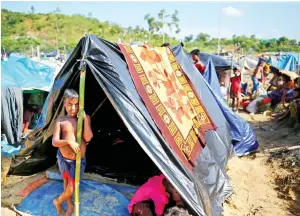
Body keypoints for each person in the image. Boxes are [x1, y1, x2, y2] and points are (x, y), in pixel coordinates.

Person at [52, 89, 93, 216]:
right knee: (66, 181)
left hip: (78, 161)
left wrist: (85, 120)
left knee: (70, 189)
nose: (73, 108)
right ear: (64, 103)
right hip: (63, 158)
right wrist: (69, 142)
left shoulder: (84, 119)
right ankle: (69, 205)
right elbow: (55, 142)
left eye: (76, 105)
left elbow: (88, 138)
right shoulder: (61, 120)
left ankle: (57, 202)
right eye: (70, 104)